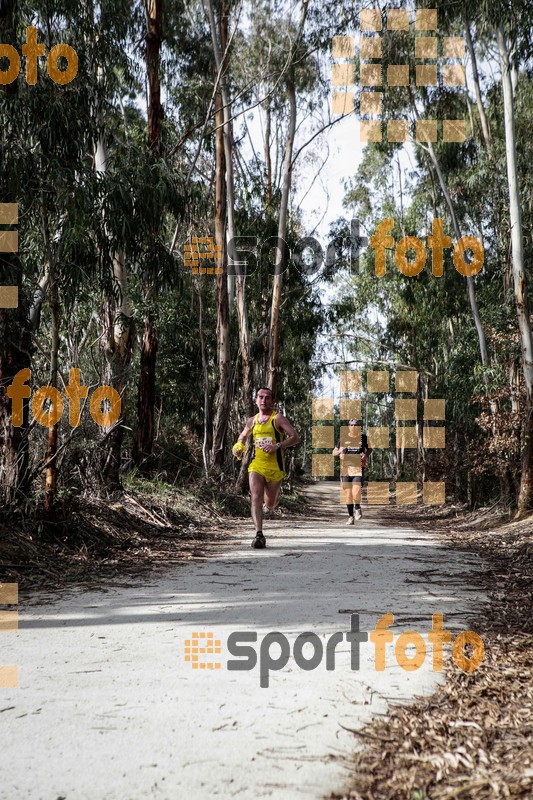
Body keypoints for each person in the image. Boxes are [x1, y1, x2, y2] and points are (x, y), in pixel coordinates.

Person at [233, 387, 300, 548]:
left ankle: (270, 504)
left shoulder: (278, 419)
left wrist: (277, 445)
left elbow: (295, 437)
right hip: (257, 465)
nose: (263, 400)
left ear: (272, 401)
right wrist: (238, 446)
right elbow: (242, 437)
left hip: (275, 468)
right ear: (255, 400)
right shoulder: (252, 421)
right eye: (260, 397)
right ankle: (259, 534)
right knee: (255, 496)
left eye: (267, 397)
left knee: (270, 503)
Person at [332, 418, 372, 524]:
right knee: (348, 494)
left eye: (356, 425)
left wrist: (366, 455)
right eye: (352, 425)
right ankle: (350, 517)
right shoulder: (343, 438)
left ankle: (357, 507)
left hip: (358, 468)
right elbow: (334, 452)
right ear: (349, 426)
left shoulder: (364, 438)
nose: (354, 427)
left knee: (356, 491)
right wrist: (340, 451)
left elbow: (370, 449)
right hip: (345, 469)